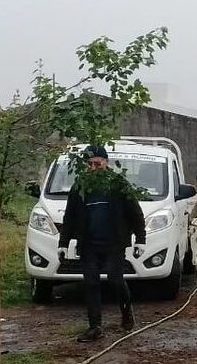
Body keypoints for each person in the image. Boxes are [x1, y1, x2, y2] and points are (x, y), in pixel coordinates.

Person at [58, 146, 147, 342]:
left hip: (114, 243)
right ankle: (94, 326)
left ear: (106, 162)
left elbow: (135, 212)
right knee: (90, 283)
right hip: (89, 244)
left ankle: (126, 312)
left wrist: (141, 239)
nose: (93, 167)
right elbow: (69, 216)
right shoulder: (80, 186)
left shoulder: (118, 183)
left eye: (97, 163)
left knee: (116, 280)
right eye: (89, 164)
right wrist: (63, 243)